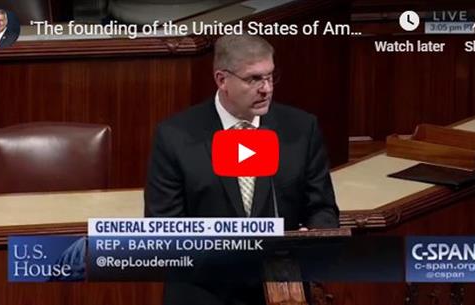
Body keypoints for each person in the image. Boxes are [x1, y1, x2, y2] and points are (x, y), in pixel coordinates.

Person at [144, 34, 339, 305]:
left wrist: (314, 240)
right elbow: (164, 228)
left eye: (271, 76)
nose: (266, 88)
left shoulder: (301, 129)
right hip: (203, 292)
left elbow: (323, 209)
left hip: (280, 291)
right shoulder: (176, 136)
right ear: (222, 79)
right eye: (254, 79)